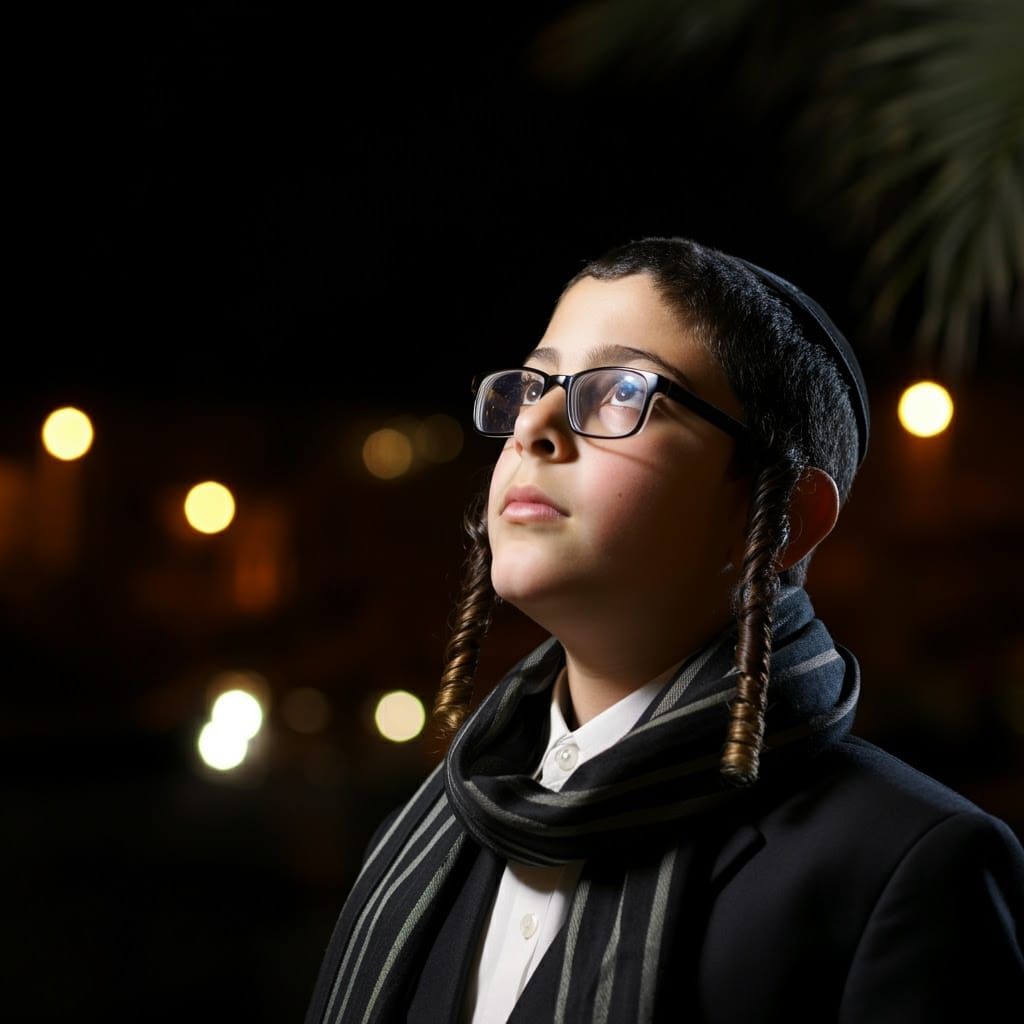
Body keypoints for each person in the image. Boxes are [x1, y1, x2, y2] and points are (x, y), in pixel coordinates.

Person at [304, 236, 1024, 1023]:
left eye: (620, 390)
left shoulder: (904, 867)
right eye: (534, 383)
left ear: (784, 518)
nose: (535, 425)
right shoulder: (430, 833)